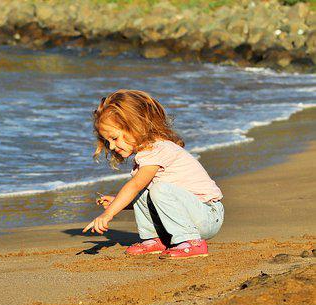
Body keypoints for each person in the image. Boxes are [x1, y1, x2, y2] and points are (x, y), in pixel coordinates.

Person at [82, 89, 224, 259]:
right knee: (147, 189)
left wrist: (108, 214)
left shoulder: (158, 149)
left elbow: (134, 187)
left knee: (155, 188)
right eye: (107, 142)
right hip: (189, 215)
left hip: (207, 214)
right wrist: (119, 203)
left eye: (114, 138)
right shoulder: (146, 155)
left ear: (136, 126)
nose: (111, 147)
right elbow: (144, 194)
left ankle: (193, 243)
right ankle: (153, 239)